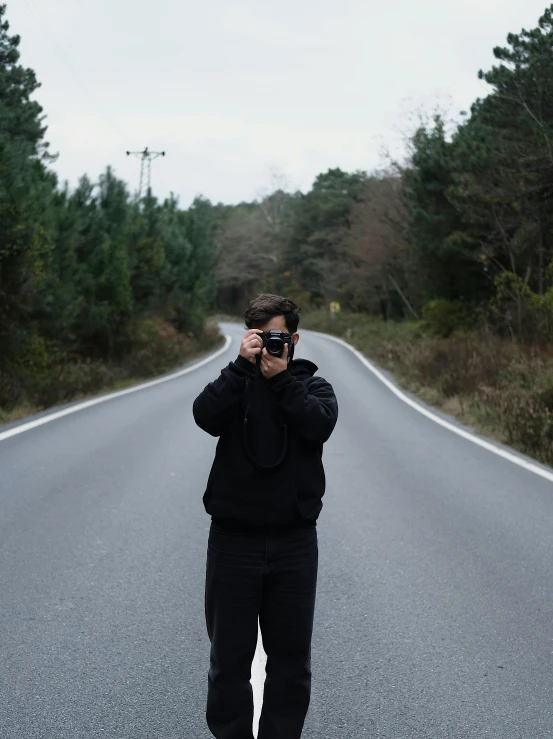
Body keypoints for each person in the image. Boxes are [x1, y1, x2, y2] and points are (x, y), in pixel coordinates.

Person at [193, 293, 338, 739]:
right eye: (260, 336)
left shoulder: (313, 387)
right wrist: (240, 368)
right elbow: (204, 415)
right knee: (228, 661)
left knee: (292, 663)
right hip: (233, 541)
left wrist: (281, 382)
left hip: (294, 543)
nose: (270, 345)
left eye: (277, 337)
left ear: (294, 338)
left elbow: (319, 425)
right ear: (248, 336)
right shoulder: (235, 383)